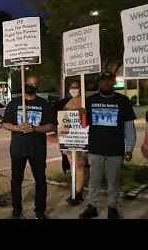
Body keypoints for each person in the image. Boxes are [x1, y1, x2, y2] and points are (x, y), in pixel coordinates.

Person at [79, 71, 136, 219]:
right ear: (99, 83)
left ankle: (112, 207)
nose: (105, 83)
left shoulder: (123, 101)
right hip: (95, 149)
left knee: (113, 181)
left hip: (115, 150)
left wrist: (129, 148)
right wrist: (82, 115)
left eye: (108, 80)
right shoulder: (90, 100)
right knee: (94, 181)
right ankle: (92, 206)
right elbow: (84, 125)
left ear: (113, 82)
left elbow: (129, 126)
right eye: (102, 81)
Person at [2, 76, 55, 219]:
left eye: (34, 83)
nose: (31, 85)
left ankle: (40, 211)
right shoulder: (14, 103)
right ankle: (17, 210)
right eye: (29, 83)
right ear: (24, 85)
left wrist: (34, 128)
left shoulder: (43, 104)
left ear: (37, 86)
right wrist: (19, 128)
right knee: (16, 180)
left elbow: (50, 126)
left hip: (37, 149)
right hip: (18, 149)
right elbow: (5, 123)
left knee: (40, 180)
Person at [53, 80, 87, 205]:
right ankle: (75, 190)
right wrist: (61, 141)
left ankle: (78, 193)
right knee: (73, 166)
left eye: (76, 87)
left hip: (80, 139)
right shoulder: (66, 103)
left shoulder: (85, 102)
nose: (74, 89)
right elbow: (62, 123)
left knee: (79, 166)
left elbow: (86, 124)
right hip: (67, 139)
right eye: (72, 87)